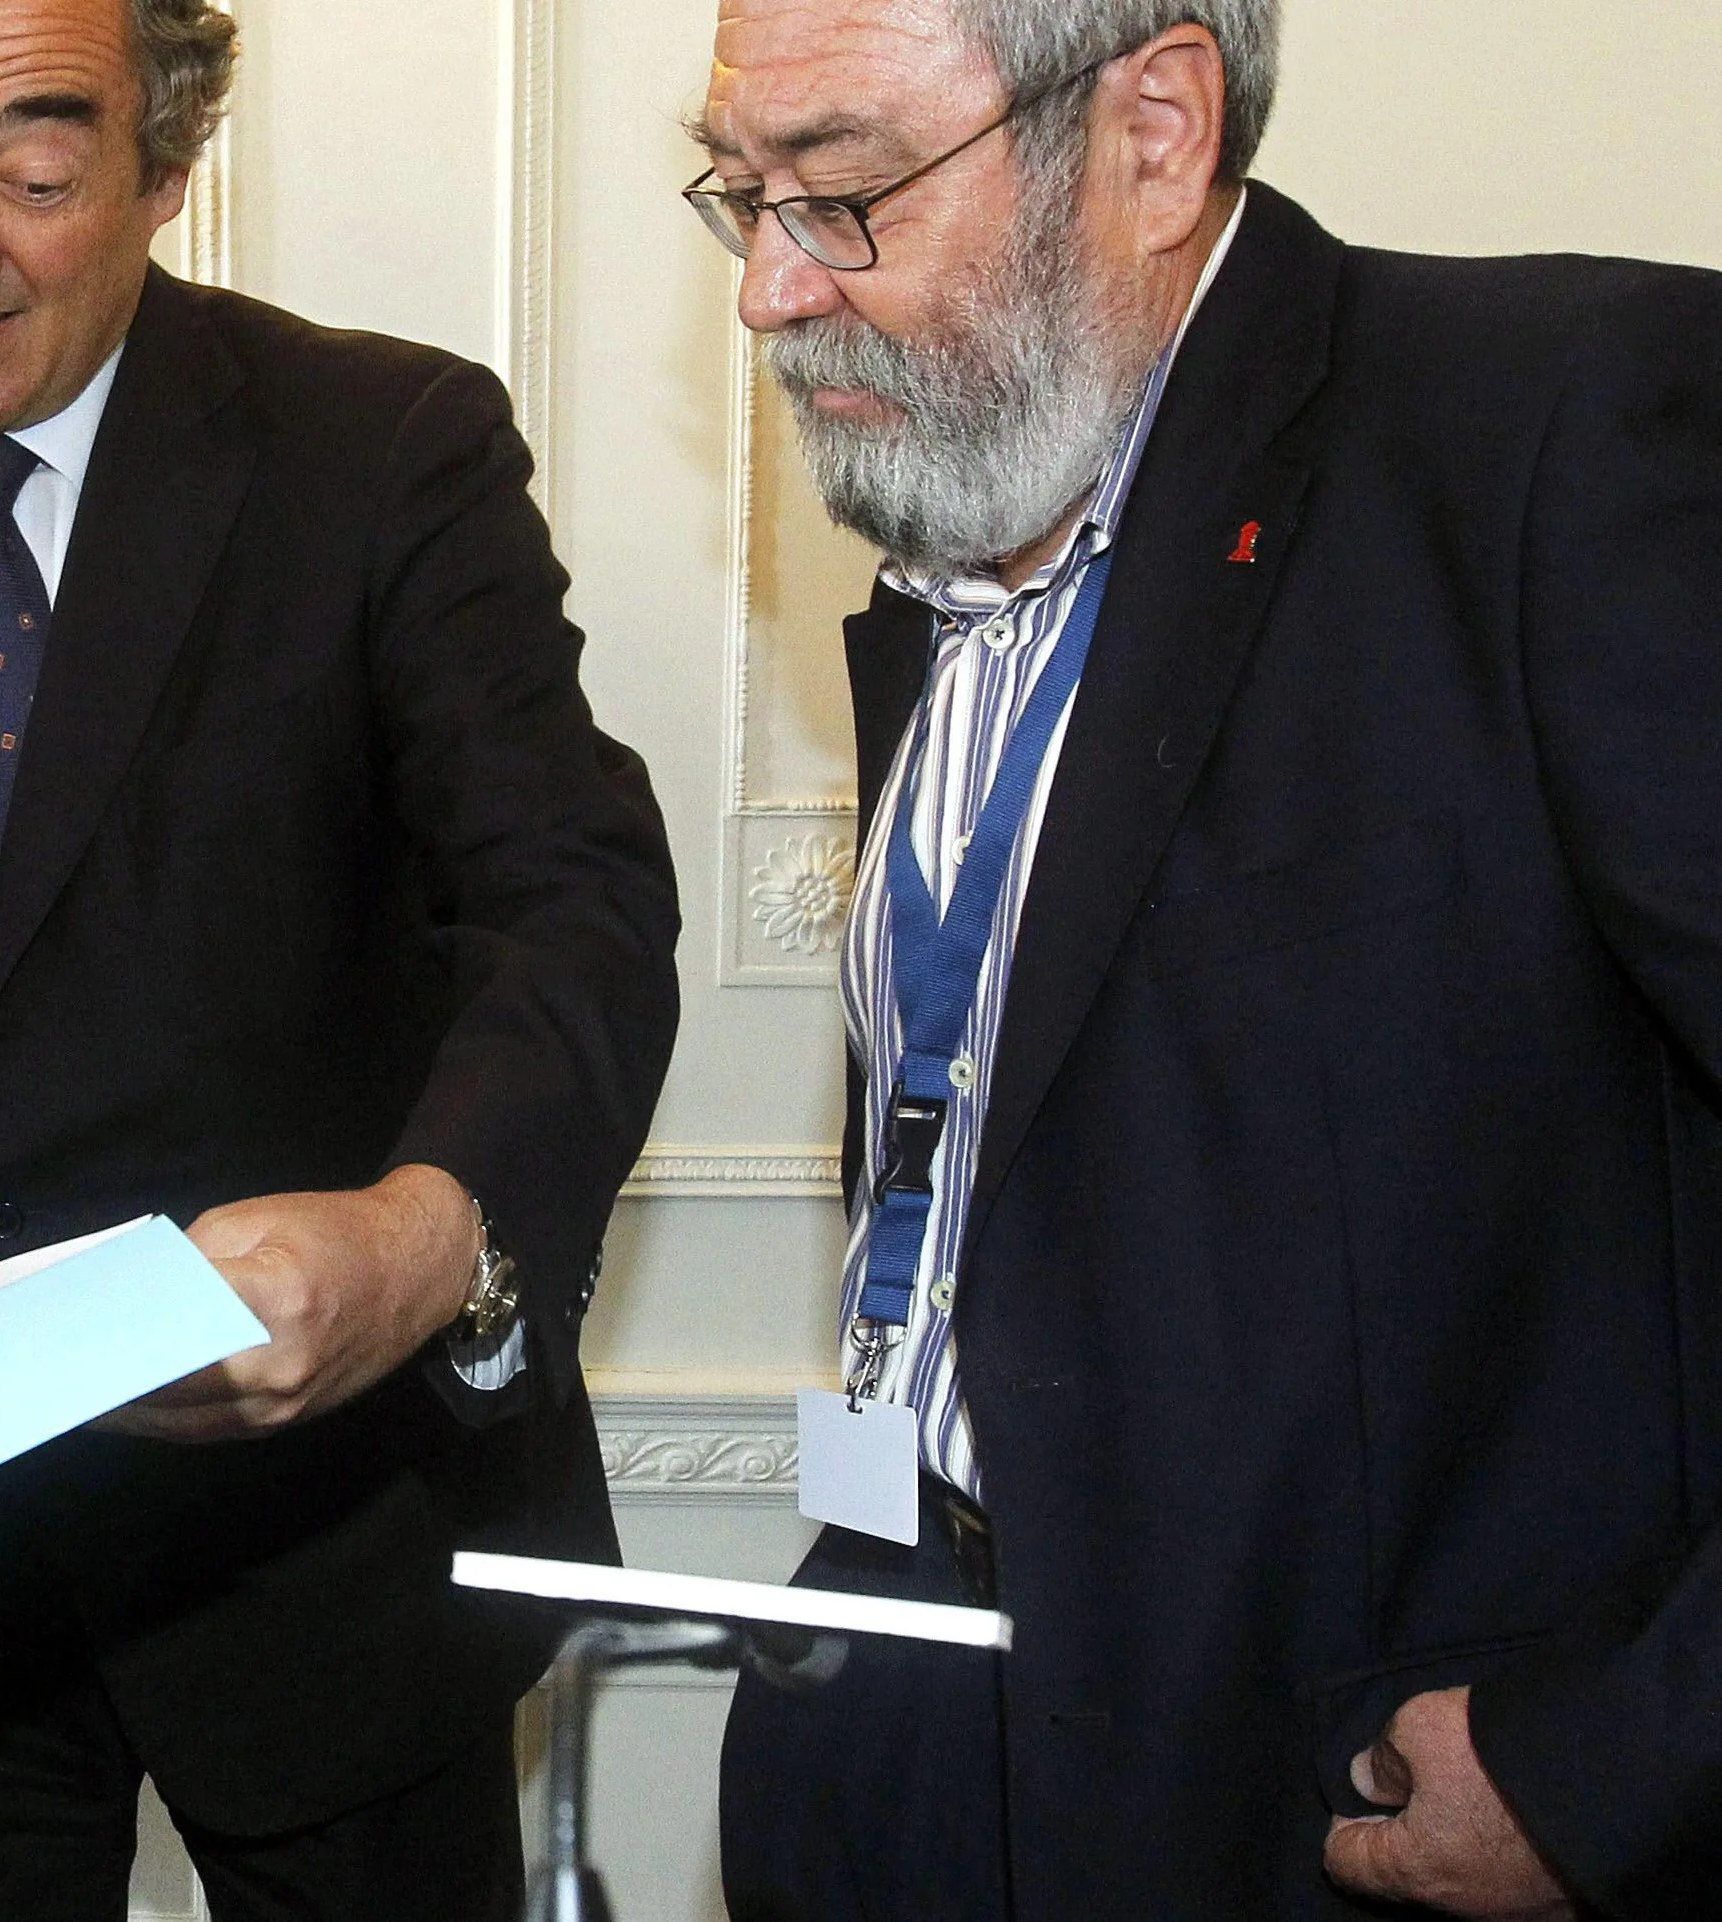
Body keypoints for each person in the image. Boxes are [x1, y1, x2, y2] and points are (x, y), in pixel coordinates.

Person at [0, 1, 683, 1916]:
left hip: (329, 1560)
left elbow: (576, 901)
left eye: (29, 168)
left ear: (167, 169)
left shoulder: (387, 450)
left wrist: (434, 1236)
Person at [689, 1, 1722, 1917]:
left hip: (1331, 1805)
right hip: (897, 1706)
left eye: (836, 193)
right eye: (743, 194)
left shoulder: (1572, 433)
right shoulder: (973, 532)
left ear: (1155, 128)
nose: (766, 289)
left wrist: (1618, 1761)